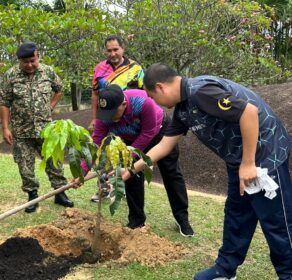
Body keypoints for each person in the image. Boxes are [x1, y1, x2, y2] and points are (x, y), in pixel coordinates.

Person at [125, 63, 292, 279]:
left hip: (264, 155)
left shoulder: (200, 91)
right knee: (237, 214)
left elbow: (249, 113)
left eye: (152, 97)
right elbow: (164, 146)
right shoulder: (182, 109)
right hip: (238, 160)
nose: (155, 103)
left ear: (160, 87)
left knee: (276, 221)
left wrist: (249, 163)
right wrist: (130, 170)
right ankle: (225, 269)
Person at [82, 84, 193, 236]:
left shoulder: (142, 102)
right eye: (107, 113)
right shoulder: (105, 115)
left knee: (171, 173)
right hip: (130, 140)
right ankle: (136, 220)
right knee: (131, 177)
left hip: (159, 133)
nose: (110, 118)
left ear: (124, 104)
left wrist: (130, 157)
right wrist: (81, 172)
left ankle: (182, 218)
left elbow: (148, 133)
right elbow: (95, 143)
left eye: (113, 113)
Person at [0, 42, 73, 213]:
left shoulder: (47, 71)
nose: (30, 65)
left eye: (33, 60)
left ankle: (60, 193)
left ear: (38, 56)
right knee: (25, 165)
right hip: (21, 130)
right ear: (19, 61)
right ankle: (32, 196)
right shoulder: (10, 75)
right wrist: (5, 128)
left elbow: (60, 89)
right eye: (25, 62)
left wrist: (50, 106)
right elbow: (4, 102)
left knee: (54, 162)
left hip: (46, 129)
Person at [89, 35, 144, 202]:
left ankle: (123, 187)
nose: (112, 53)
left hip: (128, 121)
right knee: (104, 153)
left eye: (116, 49)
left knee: (126, 155)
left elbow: (143, 95)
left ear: (123, 49)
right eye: (109, 50)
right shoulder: (99, 69)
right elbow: (95, 94)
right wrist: (94, 118)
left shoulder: (135, 69)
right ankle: (104, 189)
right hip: (106, 118)